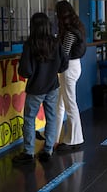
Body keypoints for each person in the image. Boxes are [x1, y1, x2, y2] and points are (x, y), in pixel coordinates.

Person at [13, 12, 68, 164]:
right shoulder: (56, 42)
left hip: (36, 88)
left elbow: (26, 70)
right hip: (52, 86)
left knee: (30, 119)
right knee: (51, 117)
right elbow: (64, 63)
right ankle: (48, 149)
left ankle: (29, 152)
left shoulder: (30, 44)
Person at [54, 0, 86, 152]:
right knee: (61, 104)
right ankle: (54, 137)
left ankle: (74, 139)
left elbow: (64, 53)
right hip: (74, 66)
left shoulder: (69, 32)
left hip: (68, 68)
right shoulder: (76, 28)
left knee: (69, 104)